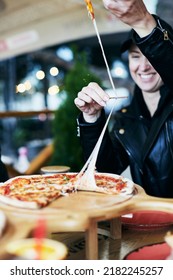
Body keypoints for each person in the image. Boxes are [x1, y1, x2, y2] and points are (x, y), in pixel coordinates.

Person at [74, 0, 173, 198]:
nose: (143, 67)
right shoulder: (126, 118)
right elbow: (104, 173)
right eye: (136, 56)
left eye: (150, 56)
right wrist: (92, 118)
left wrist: (144, 22)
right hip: (147, 218)